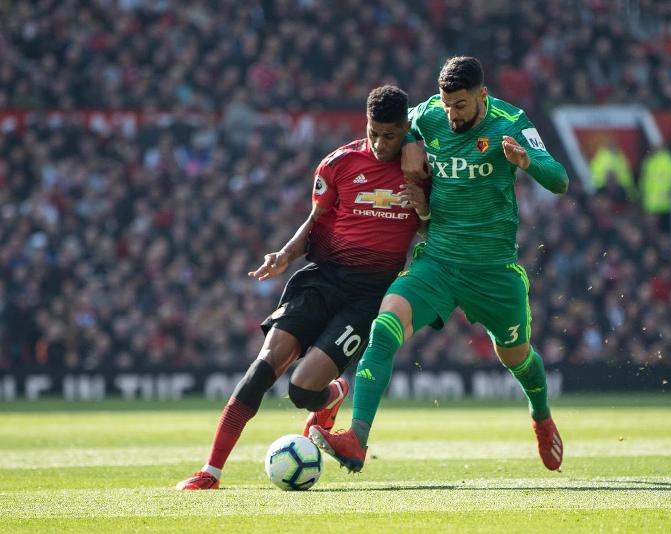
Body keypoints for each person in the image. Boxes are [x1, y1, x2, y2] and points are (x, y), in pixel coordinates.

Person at [310, 56, 569, 473]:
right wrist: (411, 141)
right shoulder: (430, 114)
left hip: (493, 270)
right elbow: (401, 121)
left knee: (517, 359)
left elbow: (559, 179)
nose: (451, 115)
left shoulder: (512, 121)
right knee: (384, 325)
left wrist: (526, 162)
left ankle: (540, 415)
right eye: (447, 104)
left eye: (461, 106)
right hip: (439, 262)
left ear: (483, 95)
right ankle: (357, 438)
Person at [176, 86, 430, 490]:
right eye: (374, 132)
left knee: (299, 390)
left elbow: (432, 227)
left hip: (367, 297)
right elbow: (314, 223)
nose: (381, 143)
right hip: (322, 278)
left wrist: (423, 205)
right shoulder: (339, 163)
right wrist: (284, 254)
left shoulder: (422, 169)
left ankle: (331, 394)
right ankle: (211, 471)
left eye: (391, 135)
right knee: (263, 367)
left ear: (405, 129)